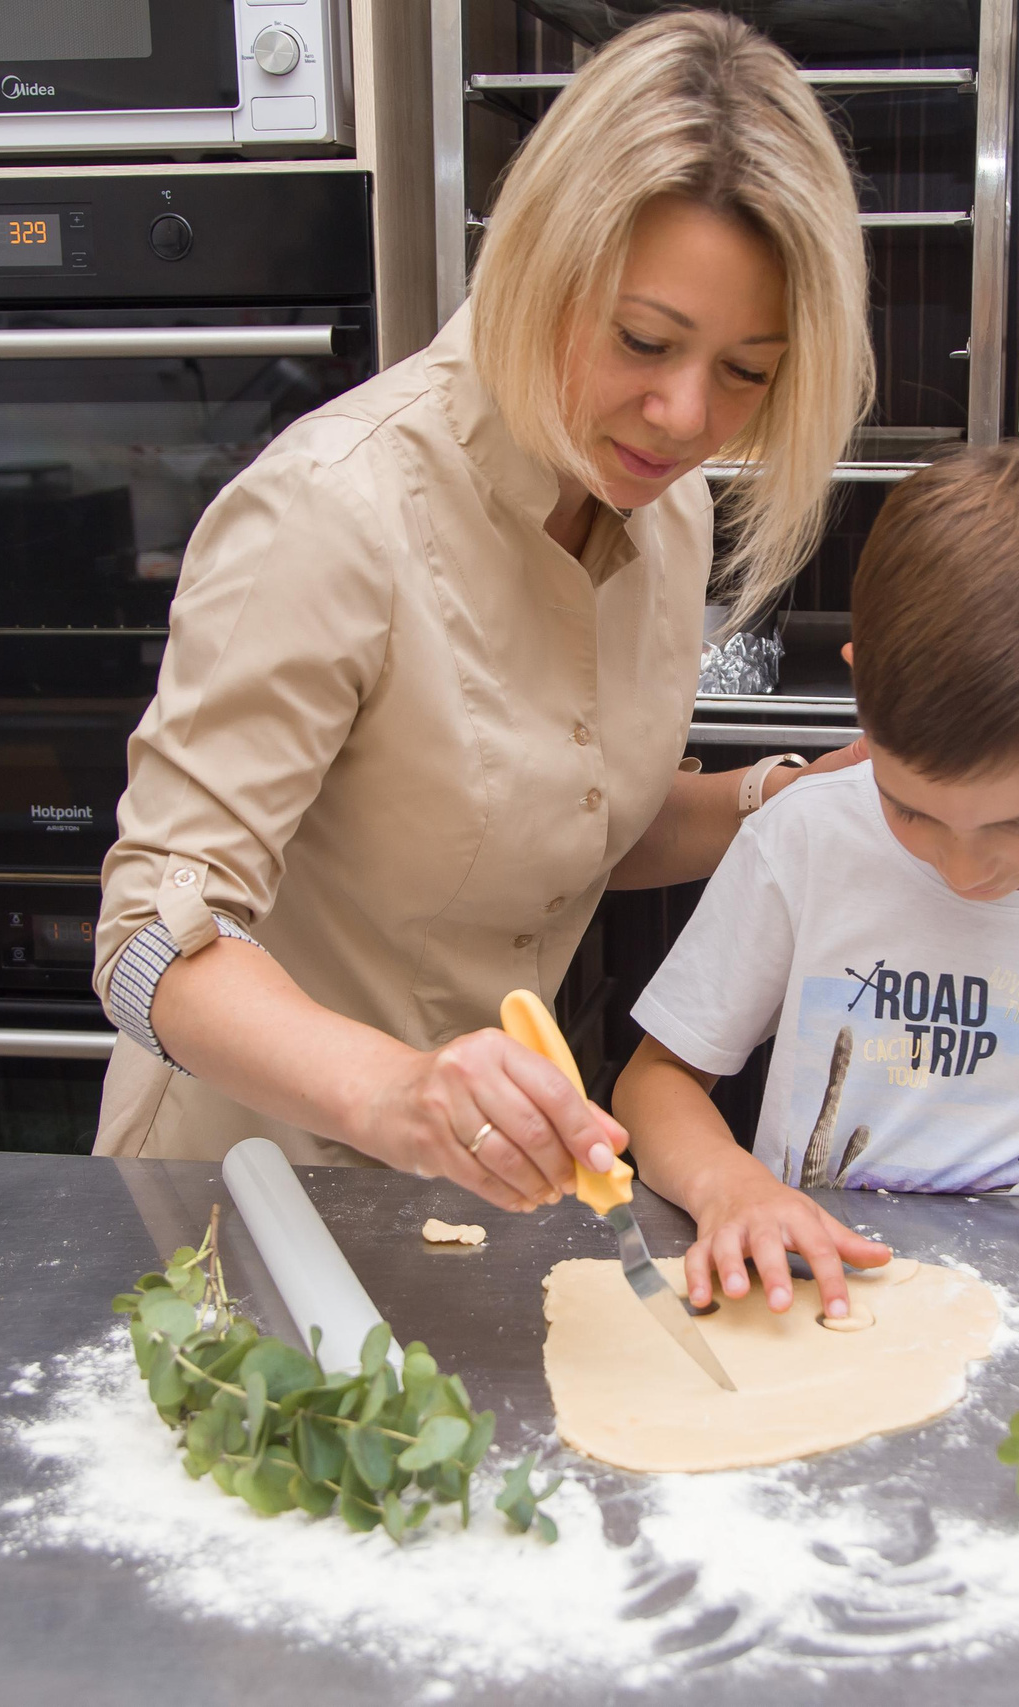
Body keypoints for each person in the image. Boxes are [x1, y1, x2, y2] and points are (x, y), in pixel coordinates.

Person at [87, 12, 875, 1207]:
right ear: (543, 261)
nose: (681, 414)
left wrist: (778, 799)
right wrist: (393, 1093)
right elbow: (147, 940)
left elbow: (562, 819)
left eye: (745, 371)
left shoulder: (664, 515)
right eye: (644, 340)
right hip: (240, 1189)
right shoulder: (335, 509)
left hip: (465, 1196)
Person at [613, 446, 1019, 1323]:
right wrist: (731, 1186)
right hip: (821, 1303)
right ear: (862, 706)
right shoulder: (806, 838)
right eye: (910, 811)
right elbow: (657, 1081)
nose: (962, 869)